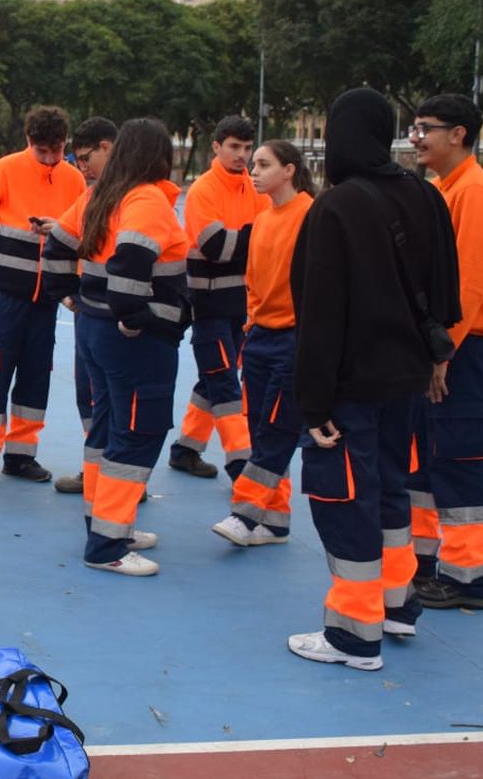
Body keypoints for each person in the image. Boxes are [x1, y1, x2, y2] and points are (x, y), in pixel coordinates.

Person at [287, 88, 460, 671]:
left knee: (346, 502)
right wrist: (435, 363)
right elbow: (445, 295)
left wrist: (312, 405)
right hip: (407, 382)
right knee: (391, 492)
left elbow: (317, 314)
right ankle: (395, 605)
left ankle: (353, 635)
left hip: (351, 389)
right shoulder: (426, 196)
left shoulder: (333, 209)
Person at [46, 119, 190, 576]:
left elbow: (58, 244)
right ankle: (107, 544)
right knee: (137, 431)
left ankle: (106, 522)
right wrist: (134, 318)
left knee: (107, 428)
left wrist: (71, 295)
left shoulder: (99, 195)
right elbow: (131, 263)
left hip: (94, 328)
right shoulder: (145, 199)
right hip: (132, 340)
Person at [407, 94, 483, 611]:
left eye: (426, 127)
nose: (417, 136)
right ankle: (425, 560)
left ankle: (467, 577)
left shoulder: (472, 193)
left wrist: (441, 355)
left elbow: (467, 286)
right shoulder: (444, 190)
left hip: (462, 348)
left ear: (459, 135)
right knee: (427, 454)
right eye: (415, 126)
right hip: (445, 343)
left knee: (460, 454)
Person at [0, 106, 87, 488]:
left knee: (35, 378)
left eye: (57, 151)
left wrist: (66, 291)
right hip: (5, 300)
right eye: (42, 151)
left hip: (45, 303)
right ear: (28, 142)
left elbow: (81, 241)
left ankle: (21, 455)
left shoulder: (74, 180)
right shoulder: (4, 170)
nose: (50, 159)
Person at [211, 140, 315, 547]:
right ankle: (275, 521)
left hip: (294, 339)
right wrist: (253, 327)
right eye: (252, 164)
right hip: (260, 337)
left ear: (288, 170)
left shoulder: (310, 215)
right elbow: (254, 281)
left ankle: (245, 512)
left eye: (263, 164)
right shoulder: (264, 219)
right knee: (258, 428)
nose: (252, 171)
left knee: (276, 428)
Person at [169, 115, 269, 481]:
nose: (242, 156)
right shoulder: (202, 191)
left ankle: (185, 450)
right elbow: (215, 246)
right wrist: (256, 235)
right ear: (216, 147)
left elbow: (262, 243)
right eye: (234, 147)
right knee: (225, 381)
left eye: (247, 148)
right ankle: (242, 464)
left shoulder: (256, 188)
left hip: (244, 304)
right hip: (208, 305)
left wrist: (245, 238)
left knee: (215, 376)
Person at [51, 116, 117, 495]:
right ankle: (98, 472)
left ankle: (118, 474)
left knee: (116, 398)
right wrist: (68, 291)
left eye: (85, 157)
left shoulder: (136, 196)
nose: (81, 167)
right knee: (90, 393)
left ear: (106, 147)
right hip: (90, 311)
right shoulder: (94, 195)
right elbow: (63, 237)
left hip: (116, 318)